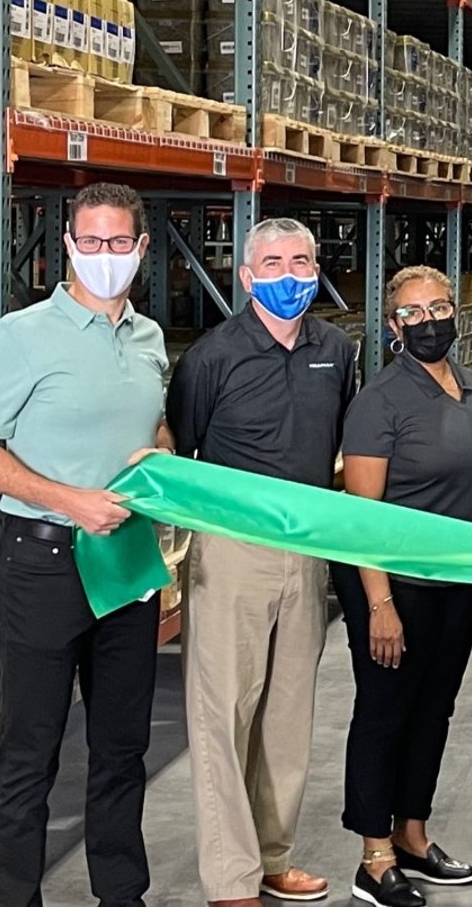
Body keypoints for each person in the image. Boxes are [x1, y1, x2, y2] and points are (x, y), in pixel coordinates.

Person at [0, 183, 172, 907]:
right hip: (43, 563)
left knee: (123, 749)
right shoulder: (22, 336)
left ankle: (122, 893)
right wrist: (68, 500)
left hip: (127, 563)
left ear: (141, 249)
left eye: (119, 243)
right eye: (90, 242)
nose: (104, 255)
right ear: (67, 246)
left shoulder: (148, 340)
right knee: (31, 754)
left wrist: (161, 457)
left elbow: (151, 433)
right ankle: (16, 898)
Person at [167, 217, 357, 907]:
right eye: (271, 264)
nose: (288, 276)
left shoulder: (335, 349)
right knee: (224, 713)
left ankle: (274, 855)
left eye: (300, 262)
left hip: (305, 548)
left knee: (286, 713)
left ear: (316, 269)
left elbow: (335, 435)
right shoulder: (212, 358)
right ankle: (231, 877)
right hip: (231, 550)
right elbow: (186, 447)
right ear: (246, 278)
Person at [335, 266, 472, 907]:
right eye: (413, 312)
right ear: (392, 327)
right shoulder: (379, 401)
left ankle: (413, 833)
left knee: (436, 708)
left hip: (456, 579)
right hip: (396, 585)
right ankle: (374, 857)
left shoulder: (469, 383)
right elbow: (362, 518)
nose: (431, 320)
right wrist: (379, 603)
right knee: (384, 713)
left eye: (439, 306)